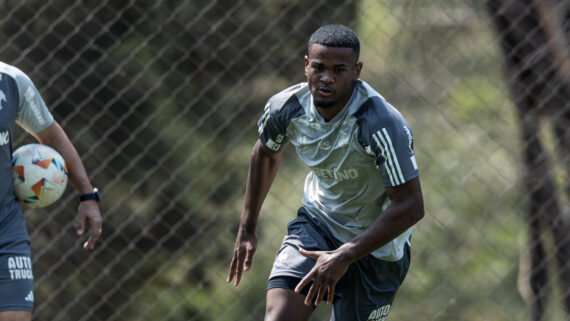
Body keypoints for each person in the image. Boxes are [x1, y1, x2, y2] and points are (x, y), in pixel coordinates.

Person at [227, 24, 424, 321]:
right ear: (306, 65)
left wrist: (345, 255)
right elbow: (266, 153)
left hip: (376, 249)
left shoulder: (380, 123)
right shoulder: (285, 108)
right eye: (318, 67)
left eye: (339, 70)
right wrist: (247, 227)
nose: (326, 78)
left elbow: (410, 206)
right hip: (318, 224)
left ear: (356, 71)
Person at [0, 61, 103, 321]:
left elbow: (51, 135)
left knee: (15, 317)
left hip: (5, 225)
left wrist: (87, 194)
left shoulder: (11, 81)